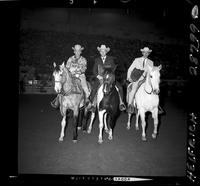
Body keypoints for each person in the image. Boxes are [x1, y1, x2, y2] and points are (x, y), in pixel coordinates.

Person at [51, 44, 90, 108]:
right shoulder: (70, 59)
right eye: (76, 51)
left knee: (85, 87)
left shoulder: (83, 59)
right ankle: (57, 99)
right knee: (62, 84)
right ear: (74, 51)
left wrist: (78, 72)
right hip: (71, 75)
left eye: (79, 51)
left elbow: (84, 68)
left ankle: (87, 100)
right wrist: (67, 70)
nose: (77, 52)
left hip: (80, 76)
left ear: (80, 52)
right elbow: (67, 67)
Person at [90, 44, 126, 111]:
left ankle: (121, 103)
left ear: (106, 52)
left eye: (104, 51)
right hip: (100, 78)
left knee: (120, 87)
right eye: (101, 51)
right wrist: (98, 76)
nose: (102, 52)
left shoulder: (111, 59)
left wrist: (111, 77)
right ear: (99, 52)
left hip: (109, 78)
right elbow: (94, 70)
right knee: (94, 88)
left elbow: (113, 69)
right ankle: (93, 104)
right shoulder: (97, 60)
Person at [126, 47, 154, 113]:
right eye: (144, 52)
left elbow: (151, 72)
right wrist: (129, 78)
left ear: (148, 53)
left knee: (153, 90)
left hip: (146, 79)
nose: (145, 54)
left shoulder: (151, 62)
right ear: (142, 53)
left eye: (147, 53)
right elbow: (130, 69)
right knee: (133, 90)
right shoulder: (137, 60)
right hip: (137, 79)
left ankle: (156, 106)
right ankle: (130, 105)